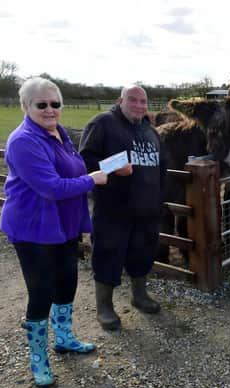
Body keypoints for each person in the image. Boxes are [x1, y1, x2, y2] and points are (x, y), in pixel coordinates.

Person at [0, 77, 108, 387]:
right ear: (26, 106)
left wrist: (90, 176)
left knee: (67, 282)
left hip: (63, 224)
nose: (50, 110)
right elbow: (49, 187)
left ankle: (64, 338)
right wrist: (93, 180)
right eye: (42, 104)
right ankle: (38, 360)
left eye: (55, 104)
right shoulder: (23, 141)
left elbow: (69, 172)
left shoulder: (59, 133)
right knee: (42, 291)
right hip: (33, 226)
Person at [80, 85, 166, 331]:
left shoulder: (150, 131)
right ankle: (104, 307)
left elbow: (162, 168)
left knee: (143, 254)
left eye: (143, 101)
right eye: (133, 100)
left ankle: (140, 295)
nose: (139, 105)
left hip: (146, 211)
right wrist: (111, 167)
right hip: (113, 210)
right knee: (108, 255)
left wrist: (159, 199)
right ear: (120, 100)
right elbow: (83, 161)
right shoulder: (103, 124)